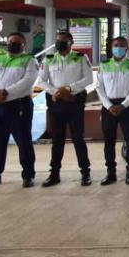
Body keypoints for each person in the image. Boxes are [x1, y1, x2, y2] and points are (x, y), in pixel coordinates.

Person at [0, 32, 39, 188]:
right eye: (11, 41)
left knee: (24, 142)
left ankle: (28, 176)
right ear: (7, 42)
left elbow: (28, 81)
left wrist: (6, 92)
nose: (14, 44)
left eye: (17, 43)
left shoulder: (29, 60)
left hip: (19, 106)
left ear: (24, 45)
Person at [36, 30, 93, 187]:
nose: (60, 43)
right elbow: (41, 80)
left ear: (71, 43)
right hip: (56, 103)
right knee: (57, 140)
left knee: (78, 139)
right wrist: (56, 92)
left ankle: (85, 173)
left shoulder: (81, 58)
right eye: (58, 40)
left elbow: (88, 78)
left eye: (63, 40)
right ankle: (54, 174)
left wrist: (68, 89)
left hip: (74, 102)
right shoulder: (48, 59)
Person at [96, 36, 129, 185]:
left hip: (127, 107)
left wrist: (123, 105)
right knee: (109, 142)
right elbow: (99, 88)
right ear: (111, 47)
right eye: (116, 45)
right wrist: (109, 106)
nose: (118, 48)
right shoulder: (104, 65)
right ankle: (111, 173)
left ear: (127, 49)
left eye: (122, 45)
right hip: (108, 107)